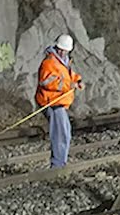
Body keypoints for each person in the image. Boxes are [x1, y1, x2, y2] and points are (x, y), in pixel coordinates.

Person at [35, 33, 84, 168]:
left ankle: (60, 163)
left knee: (65, 134)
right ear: (60, 49)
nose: (65, 53)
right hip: (51, 102)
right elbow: (46, 82)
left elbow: (69, 75)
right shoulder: (49, 63)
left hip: (59, 103)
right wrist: (69, 85)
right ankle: (57, 166)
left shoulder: (63, 61)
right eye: (64, 50)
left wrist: (77, 80)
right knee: (61, 135)